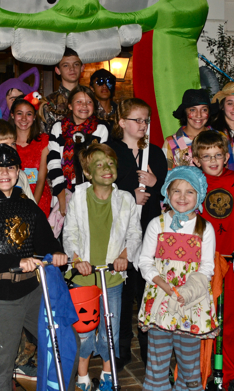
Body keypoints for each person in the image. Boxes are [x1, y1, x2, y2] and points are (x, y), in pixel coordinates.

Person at [0, 144, 68, 391]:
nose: (4, 173)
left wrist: (56, 252)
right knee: (0, 366)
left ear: (18, 172)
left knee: (62, 343)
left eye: (10, 167)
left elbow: (46, 240)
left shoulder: (29, 206)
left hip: (33, 289)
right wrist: (14, 262)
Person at [63, 143, 142, 391]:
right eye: (99, 165)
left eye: (110, 163)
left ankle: (108, 376)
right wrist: (77, 260)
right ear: (88, 172)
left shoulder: (126, 199)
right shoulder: (78, 198)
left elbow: (134, 233)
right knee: (84, 330)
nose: (107, 168)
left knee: (110, 330)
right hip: (84, 278)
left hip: (112, 277)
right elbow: (70, 233)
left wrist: (124, 256)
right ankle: (82, 376)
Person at [138, 165, 218, 391]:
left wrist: (188, 291)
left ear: (199, 195)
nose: (182, 197)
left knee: (189, 357)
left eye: (189, 192)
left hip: (191, 302)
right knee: (158, 354)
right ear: (167, 192)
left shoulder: (204, 228)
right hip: (160, 298)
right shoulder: (157, 224)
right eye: (177, 191)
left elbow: (207, 267)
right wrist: (163, 284)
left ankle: (187, 386)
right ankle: (157, 385)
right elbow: (144, 261)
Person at [107, 98, 168, 367]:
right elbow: (101, 189)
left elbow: (167, 192)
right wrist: (130, 196)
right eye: (137, 120)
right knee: (121, 290)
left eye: (146, 120)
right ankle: (120, 348)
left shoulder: (154, 153)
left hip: (149, 230)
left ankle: (149, 350)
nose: (143, 124)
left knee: (147, 290)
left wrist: (156, 183)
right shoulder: (110, 151)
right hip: (119, 232)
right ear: (122, 122)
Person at [192, 130, 234, 391]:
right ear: (197, 160)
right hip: (200, 261)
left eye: (217, 155)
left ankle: (229, 370)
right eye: (207, 157)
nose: (213, 161)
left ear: (226, 156)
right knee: (199, 316)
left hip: (228, 260)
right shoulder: (194, 182)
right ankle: (200, 370)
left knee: (226, 318)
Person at [47, 85, 109, 219]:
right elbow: (53, 163)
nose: (84, 106)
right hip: (63, 190)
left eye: (89, 102)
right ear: (70, 106)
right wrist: (61, 196)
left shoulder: (101, 129)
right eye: (79, 102)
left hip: (92, 191)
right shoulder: (58, 128)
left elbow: (102, 165)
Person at [10, 97, 51, 217]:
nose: (24, 118)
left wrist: (32, 205)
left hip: (39, 199)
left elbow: (41, 178)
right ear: (12, 115)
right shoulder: (7, 142)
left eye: (28, 114)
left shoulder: (43, 141)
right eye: (19, 113)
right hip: (12, 199)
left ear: (34, 117)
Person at [163, 88, 216, 170]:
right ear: (185, 112)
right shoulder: (171, 143)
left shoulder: (220, 137)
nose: (199, 115)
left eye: (204, 109)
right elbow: (166, 175)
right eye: (193, 110)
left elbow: (229, 173)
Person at [42, 48, 85, 133]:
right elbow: (43, 136)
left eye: (76, 64)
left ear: (82, 68)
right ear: (58, 70)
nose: (72, 68)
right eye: (66, 65)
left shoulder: (90, 98)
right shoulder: (49, 103)